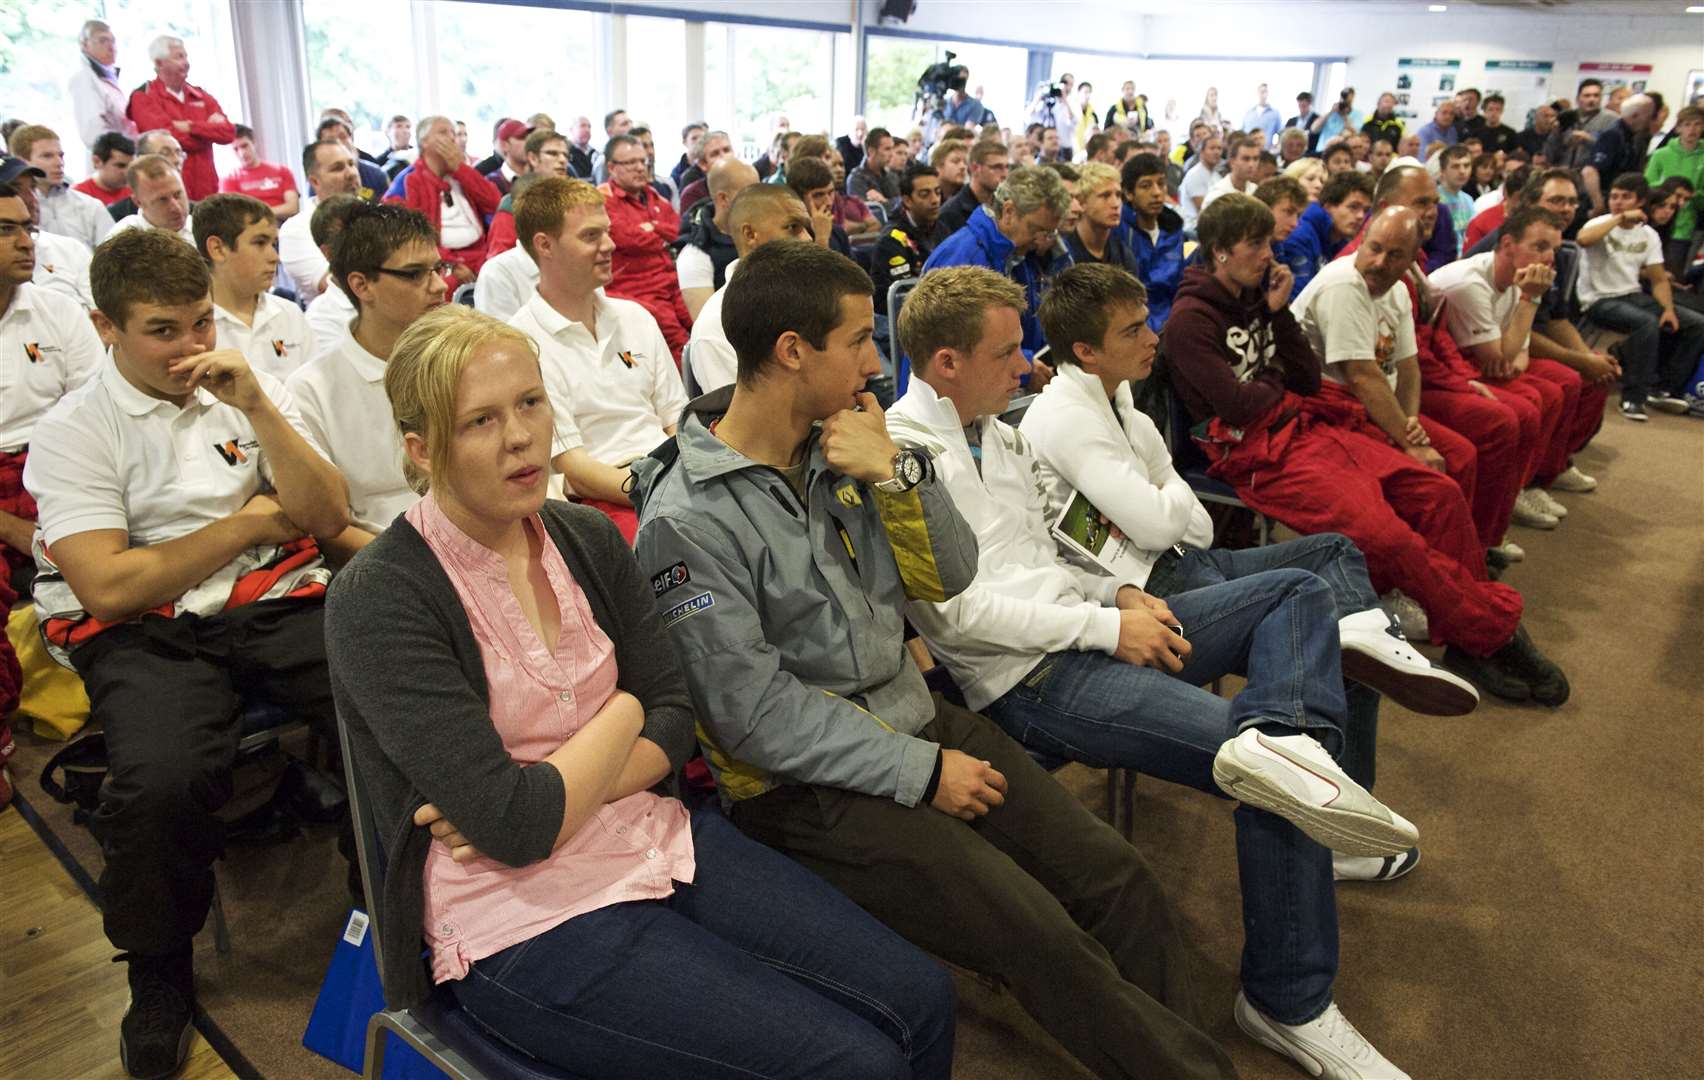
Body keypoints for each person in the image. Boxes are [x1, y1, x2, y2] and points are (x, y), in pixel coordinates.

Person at [631, 237, 1238, 1080]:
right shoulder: (686, 519)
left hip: (915, 717)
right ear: (792, 352)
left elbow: (950, 574)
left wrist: (901, 472)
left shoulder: (845, 447)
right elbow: (756, 718)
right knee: (1038, 932)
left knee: (1115, 877)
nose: (876, 363)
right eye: (856, 342)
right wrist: (920, 772)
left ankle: (1187, 1057)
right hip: (808, 790)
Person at [320, 300, 956, 1080]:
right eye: (479, 422)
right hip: (518, 921)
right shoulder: (382, 594)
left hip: (655, 838)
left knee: (922, 999)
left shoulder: (583, 537)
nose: (521, 436)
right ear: (421, 450)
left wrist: (555, 786)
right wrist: (621, 720)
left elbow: (673, 721)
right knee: (854, 1064)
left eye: (530, 402)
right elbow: (520, 832)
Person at [23, 226, 348, 1080]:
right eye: (163, 330)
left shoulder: (240, 388)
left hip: (261, 598)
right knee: (161, 779)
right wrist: (245, 522)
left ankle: (386, 898)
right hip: (146, 632)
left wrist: (261, 409)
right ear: (106, 329)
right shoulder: (73, 430)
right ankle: (159, 972)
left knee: (381, 703)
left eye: (201, 323)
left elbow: (319, 513)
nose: (191, 347)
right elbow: (110, 588)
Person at [1167, 194, 1565, 704]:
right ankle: (1491, 634)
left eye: (1270, 241)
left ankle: (1468, 635)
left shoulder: (1254, 296)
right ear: (1220, 251)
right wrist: (1273, 375)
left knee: (1438, 493)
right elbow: (1242, 408)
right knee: (1390, 539)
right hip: (1258, 456)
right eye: (1257, 244)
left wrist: (1278, 318)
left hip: (1305, 425)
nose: (1270, 253)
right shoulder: (1189, 321)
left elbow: (1306, 380)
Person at [1359, 166, 1532, 562]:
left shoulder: (1414, 257)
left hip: (1412, 380)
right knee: (1479, 437)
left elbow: (1430, 340)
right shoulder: (1374, 264)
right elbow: (1374, 367)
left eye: (1434, 202)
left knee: (1515, 411)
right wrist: (1410, 427)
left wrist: (1463, 379)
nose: (1432, 211)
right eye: (1421, 202)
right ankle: (1448, 561)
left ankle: (1478, 544)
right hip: (1372, 394)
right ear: (1385, 207)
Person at [509, 177, 687, 540]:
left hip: (671, 474)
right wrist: (660, 491)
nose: (610, 245)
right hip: (606, 498)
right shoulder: (522, 343)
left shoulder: (635, 316)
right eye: (591, 236)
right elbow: (574, 467)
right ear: (545, 245)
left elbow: (676, 421)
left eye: (606, 232)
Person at [289, 203, 448, 554]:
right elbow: (326, 527)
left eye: (438, 268)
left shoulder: (462, 360)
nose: (439, 285)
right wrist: (417, 568)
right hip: (384, 561)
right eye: (415, 274)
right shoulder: (311, 391)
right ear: (361, 285)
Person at [0, 180, 106, 592]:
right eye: (6, 229)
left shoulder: (58, 310)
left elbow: (92, 415)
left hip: (55, 466)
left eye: (29, 228)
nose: (26, 242)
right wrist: (13, 529)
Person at [1577, 173, 1704, 418]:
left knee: (1696, 324)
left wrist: (1667, 309)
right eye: (1614, 196)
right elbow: (1583, 240)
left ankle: (1664, 387)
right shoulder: (1599, 224)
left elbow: (1657, 279)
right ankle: (1634, 397)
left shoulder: (1649, 235)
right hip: (1598, 299)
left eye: (1626, 198)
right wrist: (1620, 218)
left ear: (1640, 201)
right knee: (1645, 324)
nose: (1618, 202)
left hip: (1632, 295)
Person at [924, 165, 1071, 365]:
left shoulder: (1017, 255)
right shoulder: (961, 258)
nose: (1040, 241)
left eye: (1048, 233)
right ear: (1008, 211)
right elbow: (951, 347)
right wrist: (1026, 366)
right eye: (1036, 229)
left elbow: (1029, 334)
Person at [686, 185, 814, 396]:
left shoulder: (815, 296)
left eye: (807, 228)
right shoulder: (716, 324)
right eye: (793, 227)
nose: (807, 239)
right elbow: (741, 424)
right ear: (750, 234)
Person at [195, 193, 312, 381]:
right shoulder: (193, 329)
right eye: (260, 243)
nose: (274, 257)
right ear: (218, 249)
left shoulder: (289, 314)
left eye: (273, 244)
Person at [599, 134, 691, 362]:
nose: (640, 168)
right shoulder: (602, 200)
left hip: (671, 284)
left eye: (643, 161)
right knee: (675, 340)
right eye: (631, 163)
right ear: (612, 167)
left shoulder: (655, 196)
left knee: (700, 324)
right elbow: (629, 238)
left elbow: (676, 230)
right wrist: (659, 234)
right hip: (634, 291)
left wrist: (653, 228)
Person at [384, 115, 502, 282]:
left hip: (482, 256)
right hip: (439, 264)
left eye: (453, 133)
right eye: (443, 132)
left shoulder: (462, 174)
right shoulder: (409, 180)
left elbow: (495, 203)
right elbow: (406, 235)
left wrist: (461, 169)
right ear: (424, 142)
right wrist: (450, 264)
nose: (452, 138)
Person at [124, 36, 233, 202]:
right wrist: (208, 132)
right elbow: (165, 141)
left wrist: (190, 127)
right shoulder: (143, 96)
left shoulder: (200, 95)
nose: (186, 62)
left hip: (207, 188)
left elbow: (228, 133)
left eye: (186, 56)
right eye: (179, 57)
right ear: (159, 63)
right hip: (168, 192)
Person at [674, 156, 758, 321]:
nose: (761, 201)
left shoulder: (766, 231)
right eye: (750, 194)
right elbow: (709, 327)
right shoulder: (695, 256)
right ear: (723, 199)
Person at [281, 139, 363, 300]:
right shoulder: (295, 229)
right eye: (338, 168)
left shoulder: (377, 213)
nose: (351, 173)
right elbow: (331, 285)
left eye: (351, 164)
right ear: (314, 181)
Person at [10, 124, 112, 250]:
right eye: (47, 156)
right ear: (22, 161)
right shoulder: (11, 209)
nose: (59, 162)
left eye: (61, 155)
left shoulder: (90, 206)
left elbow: (113, 256)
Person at [482, 129, 577, 260]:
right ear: (533, 158)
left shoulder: (574, 199)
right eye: (553, 153)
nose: (562, 160)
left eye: (566, 155)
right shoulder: (513, 203)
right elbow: (500, 263)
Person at [1277, 170, 1374, 297]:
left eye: (1366, 210)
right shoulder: (1300, 236)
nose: (1361, 216)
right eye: (1353, 207)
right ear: (1328, 207)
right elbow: (1300, 299)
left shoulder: (1340, 240)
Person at [871, 164, 940, 321]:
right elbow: (904, 299)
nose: (935, 200)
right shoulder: (891, 240)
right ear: (907, 200)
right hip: (901, 321)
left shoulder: (942, 225)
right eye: (925, 194)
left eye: (937, 192)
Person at [299, 194, 366, 352]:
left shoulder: (396, 286)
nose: (368, 243)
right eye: (353, 237)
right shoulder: (320, 319)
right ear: (328, 252)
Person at [1645, 105, 1704, 272]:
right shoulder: (1661, 154)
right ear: (1678, 128)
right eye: (1687, 124)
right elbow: (1648, 185)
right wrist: (1672, 191)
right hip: (1660, 221)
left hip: (1691, 224)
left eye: (1697, 124)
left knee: (1681, 272)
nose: (1692, 129)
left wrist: (1693, 195)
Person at [68, 19, 138, 151]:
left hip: (125, 154)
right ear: (84, 45)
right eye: (103, 41)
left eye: (113, 41)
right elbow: (94, 133)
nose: (111, 47)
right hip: (111, 159)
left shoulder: (108, 76)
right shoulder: (84, 80)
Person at [1581, 94, 1656, 214]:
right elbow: (1589, 171)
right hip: (1607, 202)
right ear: (1635, 116)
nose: (1651, 120)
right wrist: (1598, 204)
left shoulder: (1630, 137)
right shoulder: (1614, 136)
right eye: (1649, 115)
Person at [1062, 159, 1138, 276]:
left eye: (1118, 195)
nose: (1116, 204)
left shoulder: (1123, 254)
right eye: (1105, 195)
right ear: (1082, 202)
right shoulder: (1064, 253)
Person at [932, 139, 1009, 243]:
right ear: (975, 168)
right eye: (996, 167)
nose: (1004, 174)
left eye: (1006, 167)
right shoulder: (950, 213)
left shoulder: (1005, 207)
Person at [218, 124, 299, 222]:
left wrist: (259, 214)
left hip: (284, 225)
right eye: (236, 149)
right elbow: (235, 216)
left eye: (245, 146)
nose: (242, 153)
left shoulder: (282, 171)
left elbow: (293, 208)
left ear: (253, 142)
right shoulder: (229, 179)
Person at [110, 154, 193, 243]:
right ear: (138, 202)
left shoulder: (201, 226)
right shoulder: (121, 242)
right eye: (162, 200)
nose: (176, 207)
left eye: (178, 195)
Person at [1202, 134, 1262, 213]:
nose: (1251, 164)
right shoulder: (1217, 196)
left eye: (1255, 159)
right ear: (1232, 161)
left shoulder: (1256, 191)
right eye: (1246, 159)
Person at [74, 131, 135, 208]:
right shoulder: (78, 196)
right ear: (97, 161)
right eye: (120, 166)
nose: (127, 172)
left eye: (130, 166)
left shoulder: (136, 192)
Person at [1435, 145, 1477, 257]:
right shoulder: (1434, 199)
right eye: (1455, 166)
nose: (1462, 171)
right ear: (1442, 171)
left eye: (1466, 165)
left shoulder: (1468, 200)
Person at [676, 130, 733, 209]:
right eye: (715, 154)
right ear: (703, 164)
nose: (723, 156)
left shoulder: (746, 182)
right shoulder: (692, 194)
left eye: (727, 150)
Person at [481, 118, 532, 197]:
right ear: (505, 145)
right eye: (522, 137)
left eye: (529, 137)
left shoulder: (539, 176)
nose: (529, 142)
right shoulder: (491, 183)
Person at [848, 127, 898, 205]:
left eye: (892, 148)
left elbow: (902, 206)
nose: (892, 154)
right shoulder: (856, 179)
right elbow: (865, 213)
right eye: (887, 149)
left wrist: (885, 202)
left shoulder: (891, 175)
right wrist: (888, 204)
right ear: (871, 151)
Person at [374, 114, 416, 180]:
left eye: (408, 127)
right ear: (387, 131)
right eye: (399, 126)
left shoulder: (419, 156)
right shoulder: (378, 163)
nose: (405, 131)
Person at [1240, 83, 1282, 147]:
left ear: (1268, 93)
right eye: (1261, 92)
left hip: (1266, 151)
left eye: (1265, 91)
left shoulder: (1275, 114)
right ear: (1257, 93)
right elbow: (1242, 132)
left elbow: (1281, 133)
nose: (1263, 94)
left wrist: (1276, 147)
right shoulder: (1248, 113)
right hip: (1249, 149)